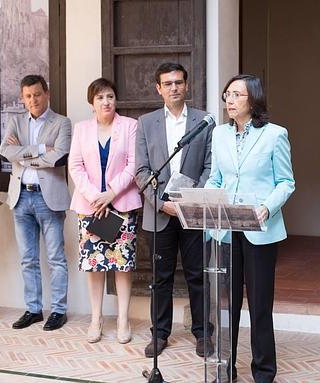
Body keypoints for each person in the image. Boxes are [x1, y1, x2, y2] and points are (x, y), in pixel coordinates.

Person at [205, 74, 295, 383]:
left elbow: (286, 183)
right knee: (227, 307)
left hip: (260, 229)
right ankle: (225, 368)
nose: (229, 100)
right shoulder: (218, 135)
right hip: (225, 231)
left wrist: (267, 207)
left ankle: (264, 373)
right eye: (227, 95)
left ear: (253, 100)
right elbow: (216, 178)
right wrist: (206, 197)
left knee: (259, 306)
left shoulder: (275, 135)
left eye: (237, 95)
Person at [135, 62, 215, 357]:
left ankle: (202, 334)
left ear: (187, 85)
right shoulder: (146, 123)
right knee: (160, 277)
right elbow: (141, 171)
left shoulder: (204, 121)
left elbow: (210, 165)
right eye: (167, 84)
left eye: (178, 82)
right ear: (158, 88)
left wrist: (191, 198)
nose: (174, 88)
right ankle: (159, 334)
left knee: (198, 275)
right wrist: (162, 204)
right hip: (159, 213)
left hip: (192, 212)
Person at [68, 78, 141, 344]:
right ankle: (96, 318)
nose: (106, 102)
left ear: (116, 100)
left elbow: (134, 165)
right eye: (100, 98)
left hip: (121, 206)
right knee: (94, 265)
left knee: (123, 265)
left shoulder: (130, 126)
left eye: (110, 96)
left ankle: (123, 318)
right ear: (92, 103)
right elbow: (75, 166)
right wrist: (94, 198)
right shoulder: (82, 129)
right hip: (89, 208)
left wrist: (111, 193)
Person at [0, 74, 71, 331]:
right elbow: (4, 151)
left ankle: (59, 311)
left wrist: (24, 153)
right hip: (20, 197)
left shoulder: (62, 123)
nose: (33, 100)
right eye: (28, 96)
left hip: (47, 197)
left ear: (47, 93)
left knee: (55, 258)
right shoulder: (15, 121)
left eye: (37, 94)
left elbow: (59, 157)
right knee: (27, 259)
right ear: (22, 98)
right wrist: (42, 150)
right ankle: (34, 309)